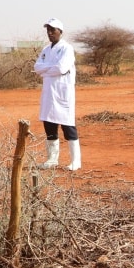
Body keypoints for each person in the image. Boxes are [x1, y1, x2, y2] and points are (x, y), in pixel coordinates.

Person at [33, 18, 80, 171]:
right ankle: (52, 160)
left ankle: (75, 162)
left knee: (68, 127)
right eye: (48, 30)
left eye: (53, 30)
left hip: (62, 94)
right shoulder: (46, 50)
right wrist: (48, 70)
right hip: (48, 94)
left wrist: (46, 71)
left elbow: (61, 68)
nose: (50, 33)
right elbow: (37, 67)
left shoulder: (67, 48)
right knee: (49, 126)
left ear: (60, 31)